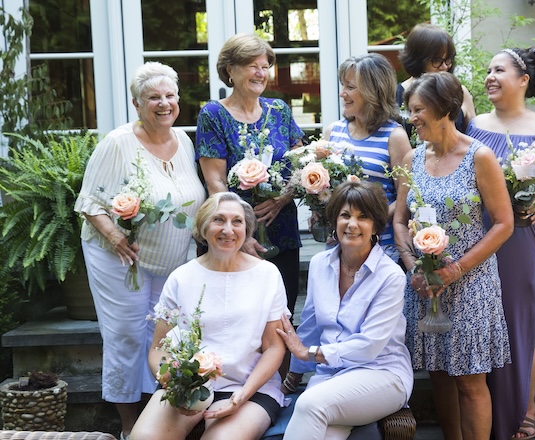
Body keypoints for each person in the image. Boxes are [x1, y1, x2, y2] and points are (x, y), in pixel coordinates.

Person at [74, 62, 205, 440]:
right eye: (153, 98)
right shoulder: (118, 143)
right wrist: (116, 236)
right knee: (128, 335)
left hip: (170, 257)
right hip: (119, 257)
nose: (163, 103)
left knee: (163, 336)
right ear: (136, 103)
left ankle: (158, 415)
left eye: (169, 96)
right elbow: (89, 202)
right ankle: (129, 424)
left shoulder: (184, 140)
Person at [466, 47, 535, 439]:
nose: (490, 77)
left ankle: (526, 410)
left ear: (523, 80)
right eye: (488, 70)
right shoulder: (474, 126)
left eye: (499, 70)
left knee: (520, 324)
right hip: (479, 238)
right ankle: (487, 415)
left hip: (525, 240)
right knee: (486, 324)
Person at [393, 72, 513, 440]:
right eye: (409, 109)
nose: (411, 118)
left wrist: (456, 269)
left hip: (472, 285)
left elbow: (504, 224)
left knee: (470, 383)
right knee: (440, 375)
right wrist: (414, 267)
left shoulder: (480, 157)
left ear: (445, 109)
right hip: (426, 287)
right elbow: (400, 220)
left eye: (418, 109)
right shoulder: (412, 159)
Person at [131, 192, 289, 440]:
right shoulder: (181, 277)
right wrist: (173, 384)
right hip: (190, 386)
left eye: (237, 221)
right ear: (203, 227)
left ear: (247, 229)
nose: (228, 229)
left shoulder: (267, 274)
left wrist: (242, 396)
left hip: (249, 388)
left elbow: (274, 348)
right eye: (219, 220)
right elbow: (158, 349)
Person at [278, 181, 413, 440]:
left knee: (309, 405)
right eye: (345, 215)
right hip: (330, 376)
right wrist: (291, 378)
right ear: (334, 220)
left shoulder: (390, 276)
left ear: (375, 225)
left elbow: (369, 345)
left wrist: (310, 354)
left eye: (363, 217)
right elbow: (309, 326)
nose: (352, 224)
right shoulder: (319, 264)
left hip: (381, 374)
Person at [196, 33, 304, 316]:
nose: (260, 73)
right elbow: (215, 182)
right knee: (237, 318)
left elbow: (301, 166)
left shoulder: (279, 109)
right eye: (252, 65)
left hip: (282, 231)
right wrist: (241, 234)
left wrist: (282, 198)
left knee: (281, 315)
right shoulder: (213, 114)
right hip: (233, 236)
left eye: (265, 66)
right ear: (230, 70)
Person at [324, 53, 411, 261]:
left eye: (350, 87)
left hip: (381, 250)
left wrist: (367, 220)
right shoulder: (332, 132)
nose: (342, 93)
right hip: (339, 247)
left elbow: (405, 197)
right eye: (342, 85)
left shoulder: (395, 136)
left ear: (373, 91)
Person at [397, 23, 476, 135]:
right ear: (418, 60)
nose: (444, 67)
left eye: (448, 60)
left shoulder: (461, 93)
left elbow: (473, 137)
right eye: (437, 61)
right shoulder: (396, 95)